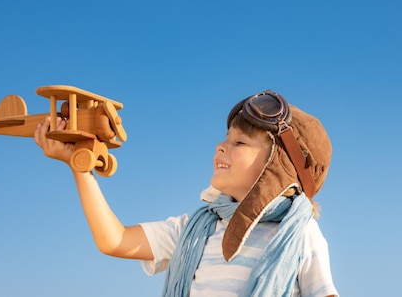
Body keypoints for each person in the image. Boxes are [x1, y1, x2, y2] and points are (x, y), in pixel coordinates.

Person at [34, 90, 338, 297]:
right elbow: (114, 240)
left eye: (240, 143)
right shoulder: (194, 231)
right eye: (225, 139)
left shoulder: (298, 233)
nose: (222, 146)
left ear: (278, 166)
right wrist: (79, 168)